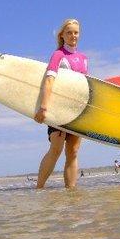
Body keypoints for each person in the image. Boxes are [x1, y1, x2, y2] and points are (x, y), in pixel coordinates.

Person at [34, 19, 88, 189]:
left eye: (76, 32)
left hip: (76, 109)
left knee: (72, 152)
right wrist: (43, 107)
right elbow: (49, 80)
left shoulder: (84, 58)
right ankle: (39, 188)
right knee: (56, 149)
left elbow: (84, 87)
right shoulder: (58, 55)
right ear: (62, 35)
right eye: (69, 32)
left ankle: (70, 193)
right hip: (58, 108)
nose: (73, 36)